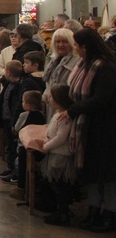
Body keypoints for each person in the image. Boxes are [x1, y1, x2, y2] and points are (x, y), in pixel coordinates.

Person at [61, 28, 116, 232]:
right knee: (91, 171)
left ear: (86, 47)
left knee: (108, 175)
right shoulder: (85, 63)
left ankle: (110, 214)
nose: (75, 49)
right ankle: (93, 212)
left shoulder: (106, 67)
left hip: (105, 127)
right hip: (88, 126)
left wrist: (73, 110)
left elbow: (101, 99)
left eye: (76, 45)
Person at [36, 84, 76, 226]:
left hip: (60, 155)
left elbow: (61, 137)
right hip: (54, 153)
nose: (49, 98)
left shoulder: (65, 117)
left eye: (52, 96)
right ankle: (59, 211)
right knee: (57, 185)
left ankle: (62, 213)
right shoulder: (58, 113)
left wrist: (46, 146)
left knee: (61, 186)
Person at [0, 60, 23, 183]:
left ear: (8, 72)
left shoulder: (18, 86)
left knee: (12, 145)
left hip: (11, 120)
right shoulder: (8, 83)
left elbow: (15, 105)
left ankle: (14, 171)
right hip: (6, 118)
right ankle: (10, 167)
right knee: (9, 145)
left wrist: (14, 122)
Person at [42, 28, 78, 121]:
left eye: (65, 42)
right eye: (58, 42)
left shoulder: (76, 62)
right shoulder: (54, 61)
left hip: (65, 107)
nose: (61, 45)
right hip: (51, 103)